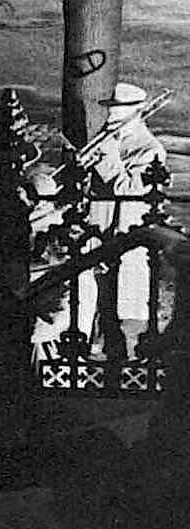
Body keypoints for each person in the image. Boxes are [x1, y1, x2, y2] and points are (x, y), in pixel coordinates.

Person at [87, 82, 167, 360]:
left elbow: (129, 191)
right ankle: (99, 347)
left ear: (136, 113)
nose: (110, 118)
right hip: (101, 226)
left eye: (118, 113)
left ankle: (127, 355)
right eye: (110, 110)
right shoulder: (110, 139)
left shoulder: (149, 149)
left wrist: (106, 157)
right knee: (99, 290)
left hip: (127, 231)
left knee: (126, 294)